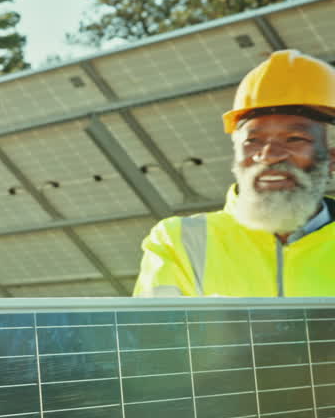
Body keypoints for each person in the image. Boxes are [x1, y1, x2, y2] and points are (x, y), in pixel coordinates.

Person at [133, 49, 335, 297]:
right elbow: (155, 333)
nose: (269, 155)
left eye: (294, 138)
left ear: (332, 158)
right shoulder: (180, 240)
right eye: (253, 141)